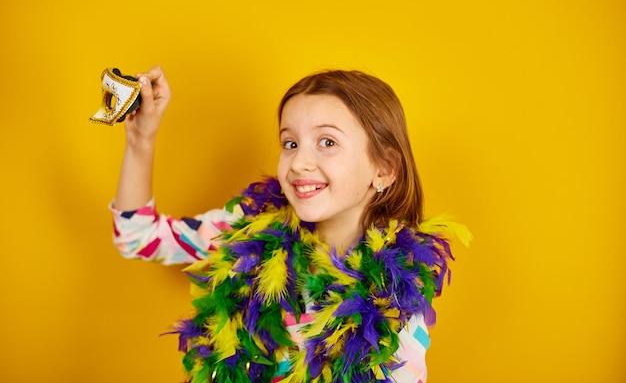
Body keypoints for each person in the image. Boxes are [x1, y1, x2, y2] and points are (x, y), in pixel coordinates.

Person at [110, 66, 470, 383]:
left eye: (327, 142)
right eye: (290, 143)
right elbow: (137, 236)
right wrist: (140, 139)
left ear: (384, 169)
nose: (299, 162)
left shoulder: (395, 298)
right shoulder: (247, 231)